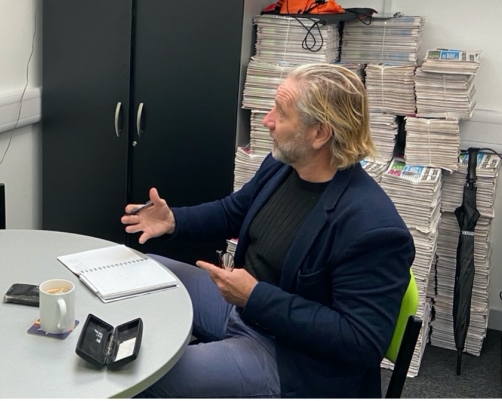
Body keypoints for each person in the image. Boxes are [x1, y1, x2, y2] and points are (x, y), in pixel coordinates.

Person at [121, 63, 414, 398]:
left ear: (320, 133)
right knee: (137, 271)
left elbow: (360, 341)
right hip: (241, 306)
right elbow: (233, 212)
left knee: (145, 378)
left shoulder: (373, 228)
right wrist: (174, 221)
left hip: (290, 356)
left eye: (282, 112)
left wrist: (256, 297)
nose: (267, 120)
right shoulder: (283, 166)